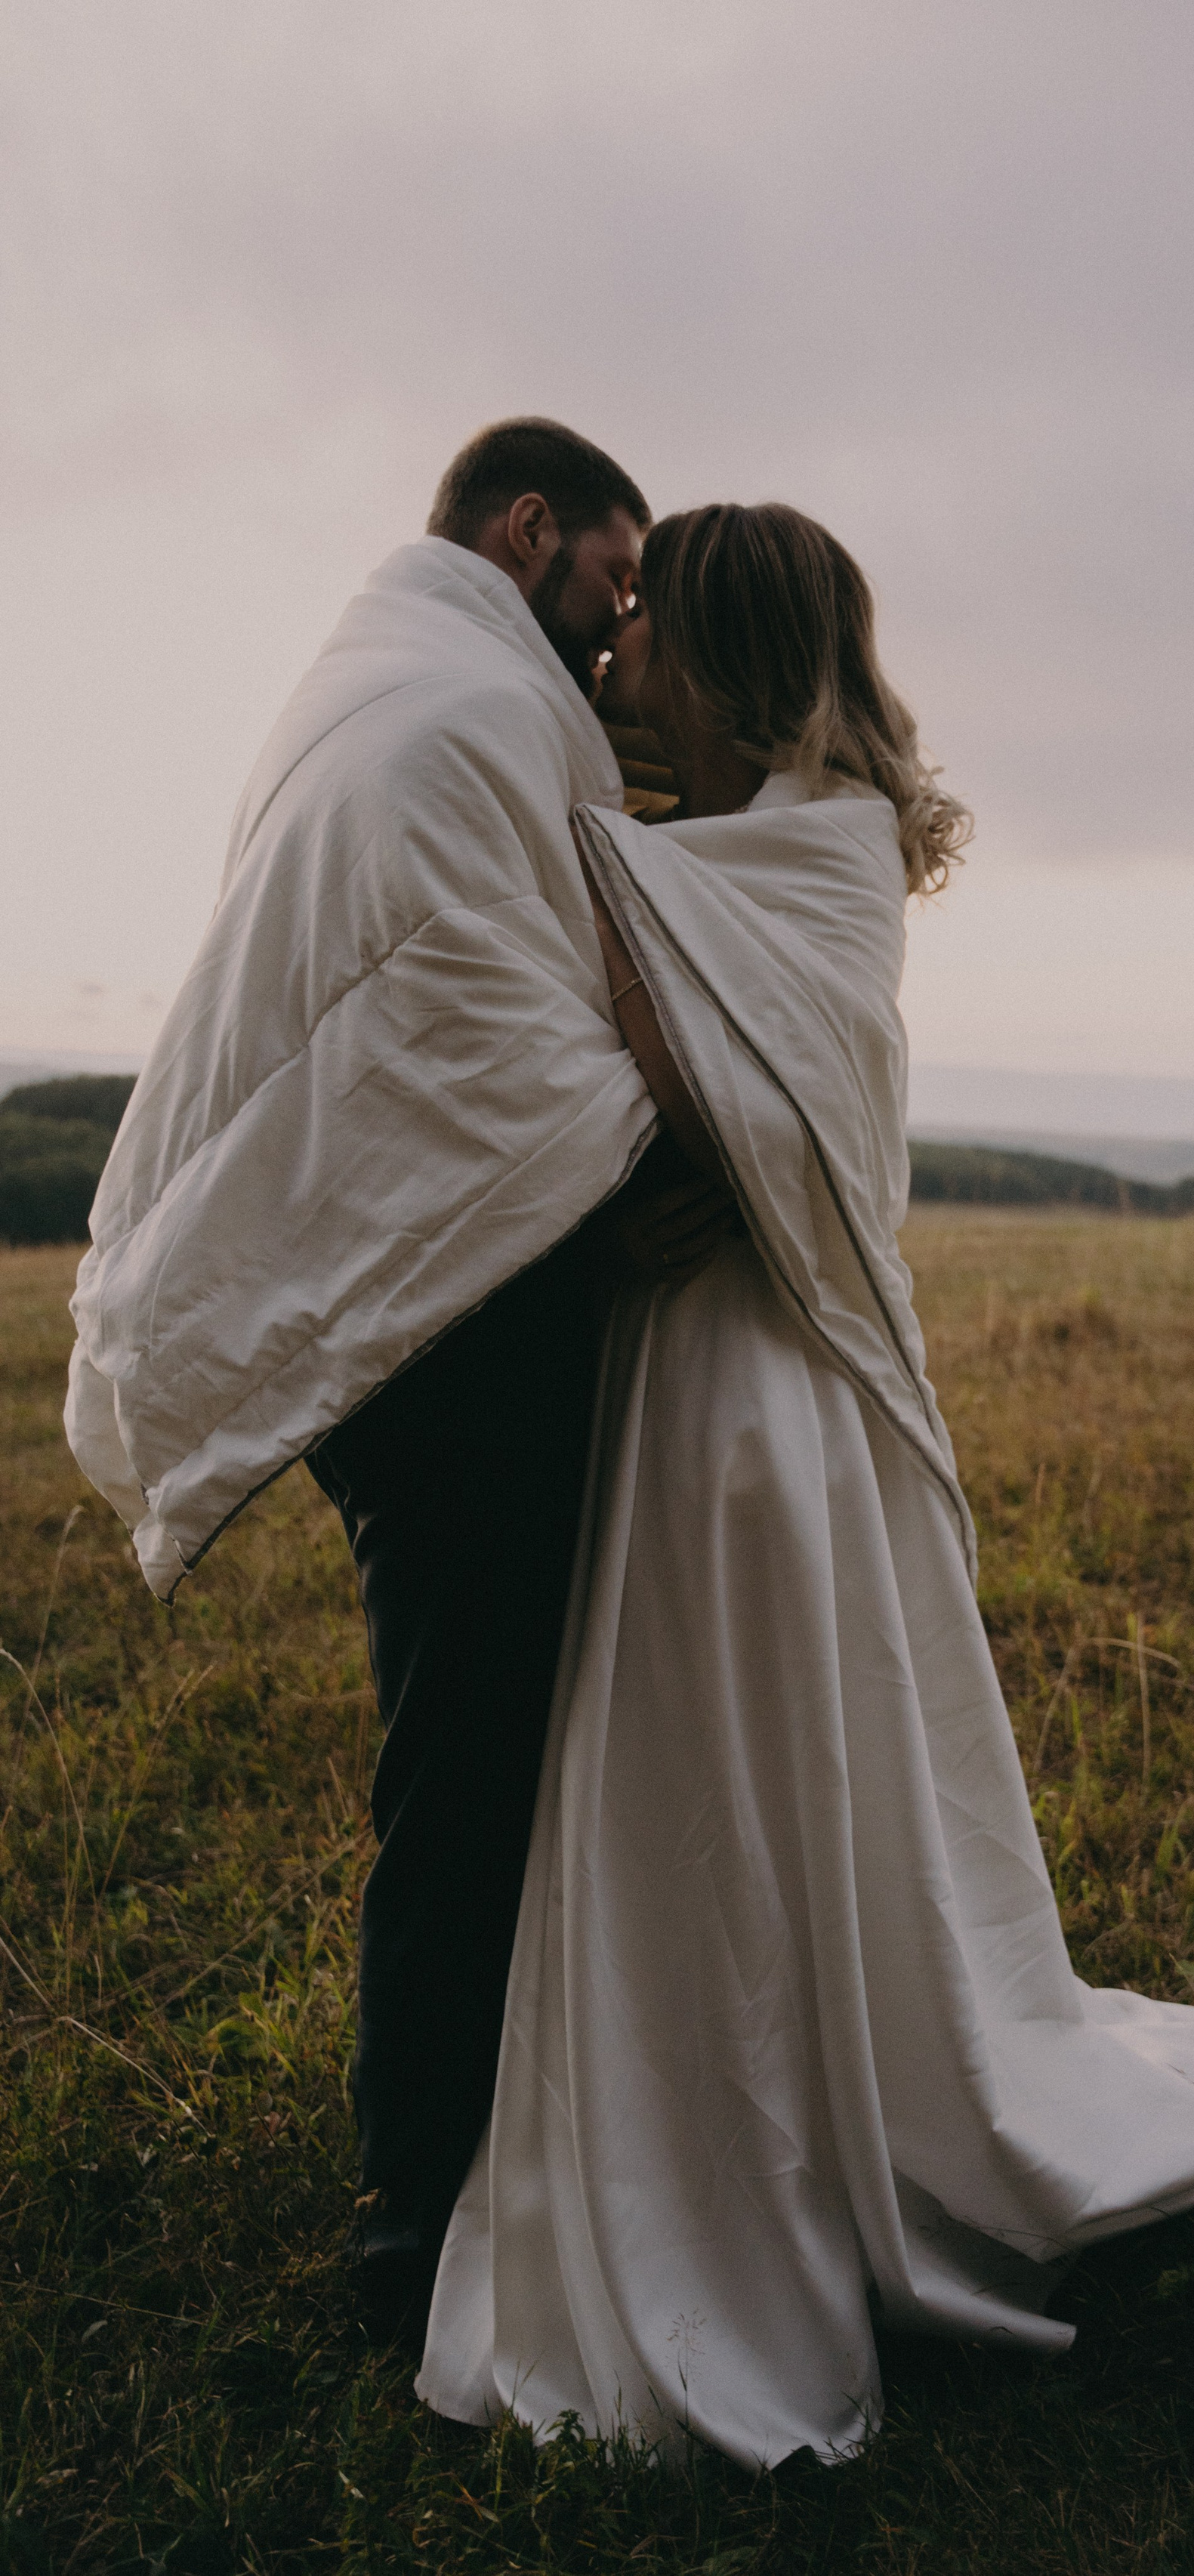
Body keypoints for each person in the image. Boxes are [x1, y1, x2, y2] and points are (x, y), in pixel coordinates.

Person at [415, 503, 1194, 2467]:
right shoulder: (710, 849)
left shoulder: (805, 860)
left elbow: (697, 1121)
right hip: (699, 1385)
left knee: (752, 1798)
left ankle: (785, 2171)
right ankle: (742, 2130)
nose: (618, 644)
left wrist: (597, 890)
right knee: (708, 1800)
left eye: (648, 616)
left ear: (727, 654)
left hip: (761, 1411)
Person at [64, 419, 733, 2332]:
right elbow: (458, 994)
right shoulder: (448, 705)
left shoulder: (392, 677)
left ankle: (490, 2146)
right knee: (472, 1751)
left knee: (491, 1729)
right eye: (611, 579)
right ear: (526, 529)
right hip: (448, 1309)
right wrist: (662, 1143)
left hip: (398, 1277)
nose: (618, 636)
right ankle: (416, 2203)